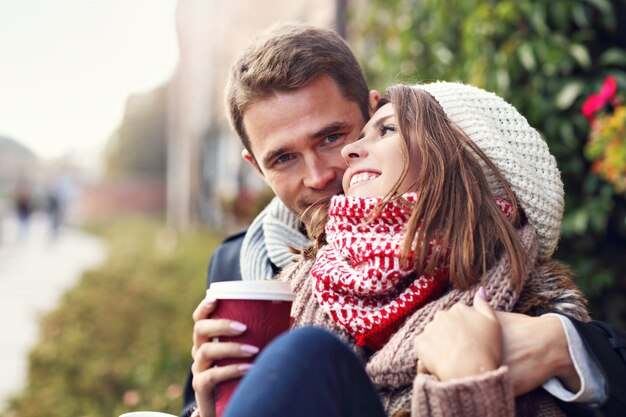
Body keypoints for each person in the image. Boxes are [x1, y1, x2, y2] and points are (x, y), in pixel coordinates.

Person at [183, 23, 626, 417]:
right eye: (282, 159)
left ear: (372, 111)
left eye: (333, 137)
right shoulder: (235, 266)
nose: (319, 176)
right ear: (256, 168)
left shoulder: (500, 261)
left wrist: (563, 347)